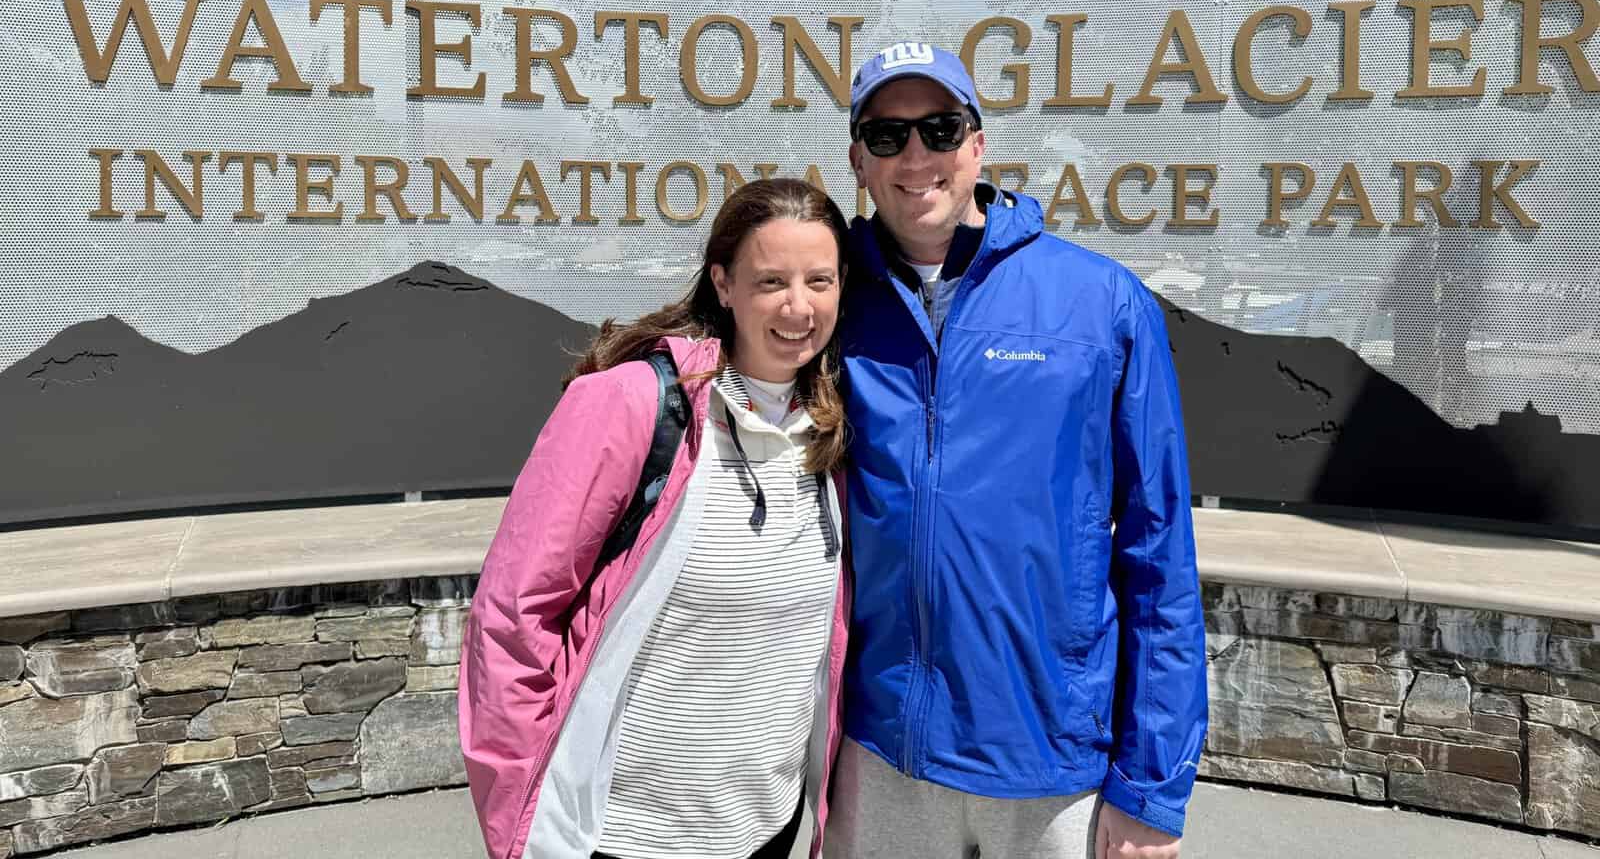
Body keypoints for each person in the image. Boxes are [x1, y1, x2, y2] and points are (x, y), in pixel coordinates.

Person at [825, 42, 1207, 859]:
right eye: (888, 137)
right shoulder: (831, 308)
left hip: (1052, 761)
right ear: (858, 159)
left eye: (939, 127)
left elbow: (1159, 553)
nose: (915, 156)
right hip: (883, 753)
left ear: (977, 144)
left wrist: (1152, 784)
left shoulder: (1100, 302)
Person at [460, 178, 854, 859]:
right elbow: (511, 616)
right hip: (627, 835)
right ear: (723, 284)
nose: (799, 306)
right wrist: (518, 821)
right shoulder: (629, 405)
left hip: (765, 827)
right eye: (771, 281)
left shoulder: (834, 428)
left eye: (819, 280)